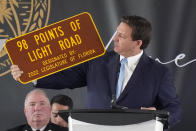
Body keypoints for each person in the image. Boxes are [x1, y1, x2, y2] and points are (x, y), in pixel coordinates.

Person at [11, 15, 181, 127]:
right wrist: (30, 75)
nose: (114, 38)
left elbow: (174, 108)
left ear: (138, 43)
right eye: (116, 33)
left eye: (121, 36)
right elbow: (66, 78)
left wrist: (159, 117)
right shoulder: (97, 61)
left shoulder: (159, 72)